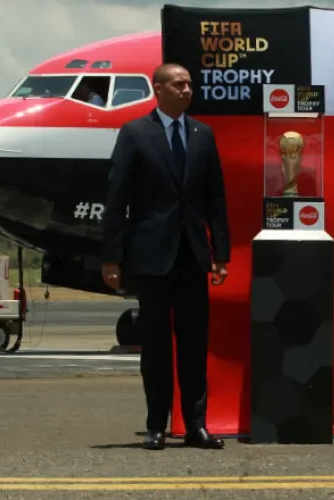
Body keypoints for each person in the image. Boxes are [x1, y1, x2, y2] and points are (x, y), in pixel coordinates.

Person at [100, 63, 231, 450]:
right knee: (156, 348)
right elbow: (116, 200)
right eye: (179, 84)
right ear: (158, 89)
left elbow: (215, 199)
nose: (187, 89)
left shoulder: (202, 135)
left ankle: (196, 426)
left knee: (194, 346)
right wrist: (112, 257)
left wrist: (220, 253)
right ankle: (156, 424)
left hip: (192, 256)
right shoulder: (135, 134)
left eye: (190, 84)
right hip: (151, 258)